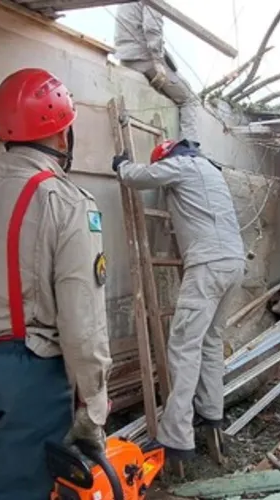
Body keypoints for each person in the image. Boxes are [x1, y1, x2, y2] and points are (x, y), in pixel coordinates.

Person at [0, 68, 111, 499]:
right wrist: (92, 409)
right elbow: (82, 319)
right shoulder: (66, 200)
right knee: (21, 492)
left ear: (1, 131)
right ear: (62, 136)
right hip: (29, 372)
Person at [112, 139, 245, 460]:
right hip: (235, 264)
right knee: (211, 342)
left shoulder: (181, 165)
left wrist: (121, 165)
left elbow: (137, 177)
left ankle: (176, 438)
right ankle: (211, 411)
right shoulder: (210, 170)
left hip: (208, 265)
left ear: (167, 157)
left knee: (184, 346)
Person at [114, 2, 200, 140]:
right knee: (190, 100)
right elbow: (152, 27)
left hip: (126, 57)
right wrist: (158, 61)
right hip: (144, 57)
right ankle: (189, 151)